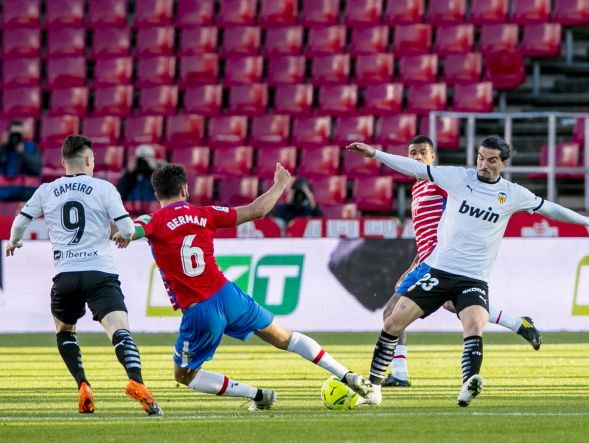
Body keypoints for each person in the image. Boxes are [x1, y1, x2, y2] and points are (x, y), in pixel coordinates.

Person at [346, 136, 589, 407]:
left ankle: (467, 385)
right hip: (438, 270)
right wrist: (375, 153)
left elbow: (550, 209)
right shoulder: (457, 178)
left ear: (504, 163)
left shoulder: (512, 194)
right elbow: (414, 168)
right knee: (392, 322)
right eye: (480, 158)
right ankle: (374, 390)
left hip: (473, 277)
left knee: (474, 325)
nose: (483, 165)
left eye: (491, 160)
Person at [112, 163, 371, 411]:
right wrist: (280, 185)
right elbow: (257, 210)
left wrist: (124, 234)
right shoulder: (205, 213)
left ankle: (257, 395)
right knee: (285, 337)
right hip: (227, 295)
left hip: (199, 310)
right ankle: (346, 374)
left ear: (156, 194)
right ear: (185, 190)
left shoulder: (153, 220)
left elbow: (132, 230)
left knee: (184, 375)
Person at [5, 135, 162, 416]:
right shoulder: (104, 188)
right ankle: (136, 381)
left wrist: (14, 242)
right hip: (100, 273)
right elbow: (127, 230)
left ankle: (83, 385)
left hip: (65, 275)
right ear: (89, 159)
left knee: (65, 331)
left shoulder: (46, 190)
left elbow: (19, 222)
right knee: (119, 330)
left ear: (63, 161)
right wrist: (121, 235)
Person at [380, 135, 541, 388]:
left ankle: (399, 373)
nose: (417, 157)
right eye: (413, 153)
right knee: (455, 306)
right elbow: (427, 233)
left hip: (444, 262)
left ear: (433, 157)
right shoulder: (418, 188)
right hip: (427, 259)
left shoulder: (438, 183)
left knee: (392, 311)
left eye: (423, 152)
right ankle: (519, 323)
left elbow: (462, 205)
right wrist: (413, 263)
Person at [0, 120, 42, 201]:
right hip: (5, 191)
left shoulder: (31, 147)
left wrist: (23, 153)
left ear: (23, 134)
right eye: (13, 134)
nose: (16, 137)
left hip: (27, 192)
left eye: (18, 134)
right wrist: (3, 146)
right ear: (9, 134)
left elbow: (37, 169)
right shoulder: (3, 149)